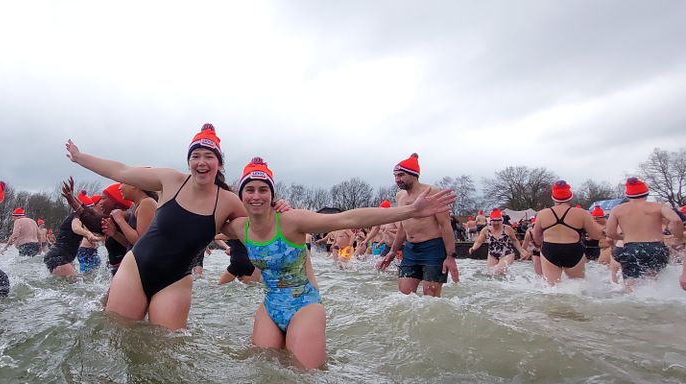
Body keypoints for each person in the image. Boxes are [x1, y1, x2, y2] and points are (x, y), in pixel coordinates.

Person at [222, 157, 456, 369]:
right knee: (264, 371)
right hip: (269, 307)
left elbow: (348, 218)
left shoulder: (291, 220)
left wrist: (410, 211)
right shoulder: (239, 227)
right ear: (241, 195)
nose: (256, 196)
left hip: (304, 306)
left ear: (272, 195)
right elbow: (202, 222)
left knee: (303, 380)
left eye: (263, 190)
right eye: (250, 189)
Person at [66, 123, 253, 330]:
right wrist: (79, 157)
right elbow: (122, 171)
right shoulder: (170, 180)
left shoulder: (229, 201)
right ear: (188, 161)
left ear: (219, 163)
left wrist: (283, 213)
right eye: (196, 156)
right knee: (120, 336)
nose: (202, 162)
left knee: (164, 351)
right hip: (136, 269)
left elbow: (259, 230)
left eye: (209, 156)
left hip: (176, 282)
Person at [377, 154, 460, 297]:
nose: (397, 179)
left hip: (433, 248)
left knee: (430, 299)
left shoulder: (432, 192)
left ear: (414, 175)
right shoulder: (400, 196)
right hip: (410, 249)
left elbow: (445, 225)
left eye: (401, 175)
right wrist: (393, 251)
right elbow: (403, 226)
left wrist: (450, 256)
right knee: (404, 296)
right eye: (395, 175)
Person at [605, 178, 684, 290]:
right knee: (655, 284)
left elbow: (610, 232)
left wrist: (623, 237)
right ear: (646, 193)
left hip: (631, 248)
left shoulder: (617, 210)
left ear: (628, 195)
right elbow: (676, 221)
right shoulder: (659, 206)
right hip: (656, 247)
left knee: (631, 288)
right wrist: (678, 238)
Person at [44, 180, 131, 276]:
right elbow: (83, 223)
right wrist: (73, 200)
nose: (101, 203)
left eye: (104, 198)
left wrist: (73, 201)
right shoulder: (116, 218)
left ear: (116, 202)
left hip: (122, 271)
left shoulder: (120, 218)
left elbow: (92, 220)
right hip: (59, 256)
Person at [530, 180, 602, 285]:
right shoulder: (582, 213)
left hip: (550, 249)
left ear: (553, 197)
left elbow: (536, 238)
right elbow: (596, 235)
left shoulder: (542, 214)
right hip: (573, 249)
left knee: (552, 288)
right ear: (570, 196)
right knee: (578, 287)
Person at [468, 209, 527, 276]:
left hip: (507, 253)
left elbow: (514, 240)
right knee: (491, 273)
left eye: (498, 220)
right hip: (492, 254)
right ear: (490, 221)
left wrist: (521, 250)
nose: (496, 223)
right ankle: (505, 284)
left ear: (501, 220)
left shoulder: (507, 228)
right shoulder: (486, 230)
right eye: (494, 221)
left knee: (498, 271)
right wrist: (473, 248)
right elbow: (479, 242)